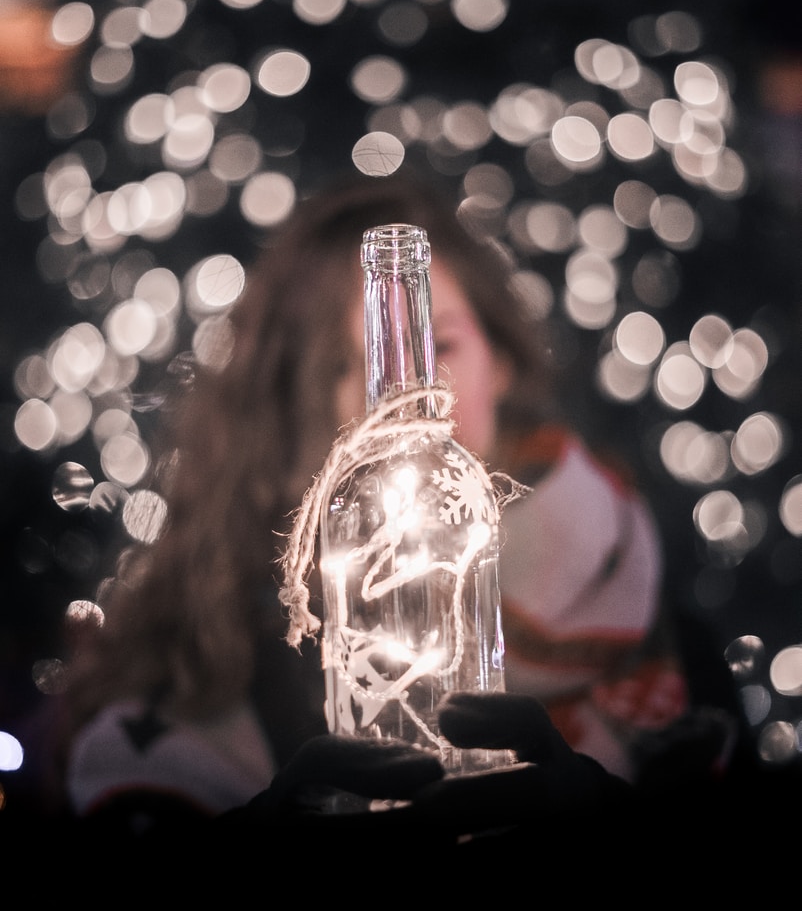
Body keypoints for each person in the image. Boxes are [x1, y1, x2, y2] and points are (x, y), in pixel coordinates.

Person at [53, 165, 744, 836]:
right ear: (291, 403)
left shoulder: (662, 642)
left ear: (499, 360)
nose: (396, 397)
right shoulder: (212, 667)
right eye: (335, 366)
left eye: (440, 343)